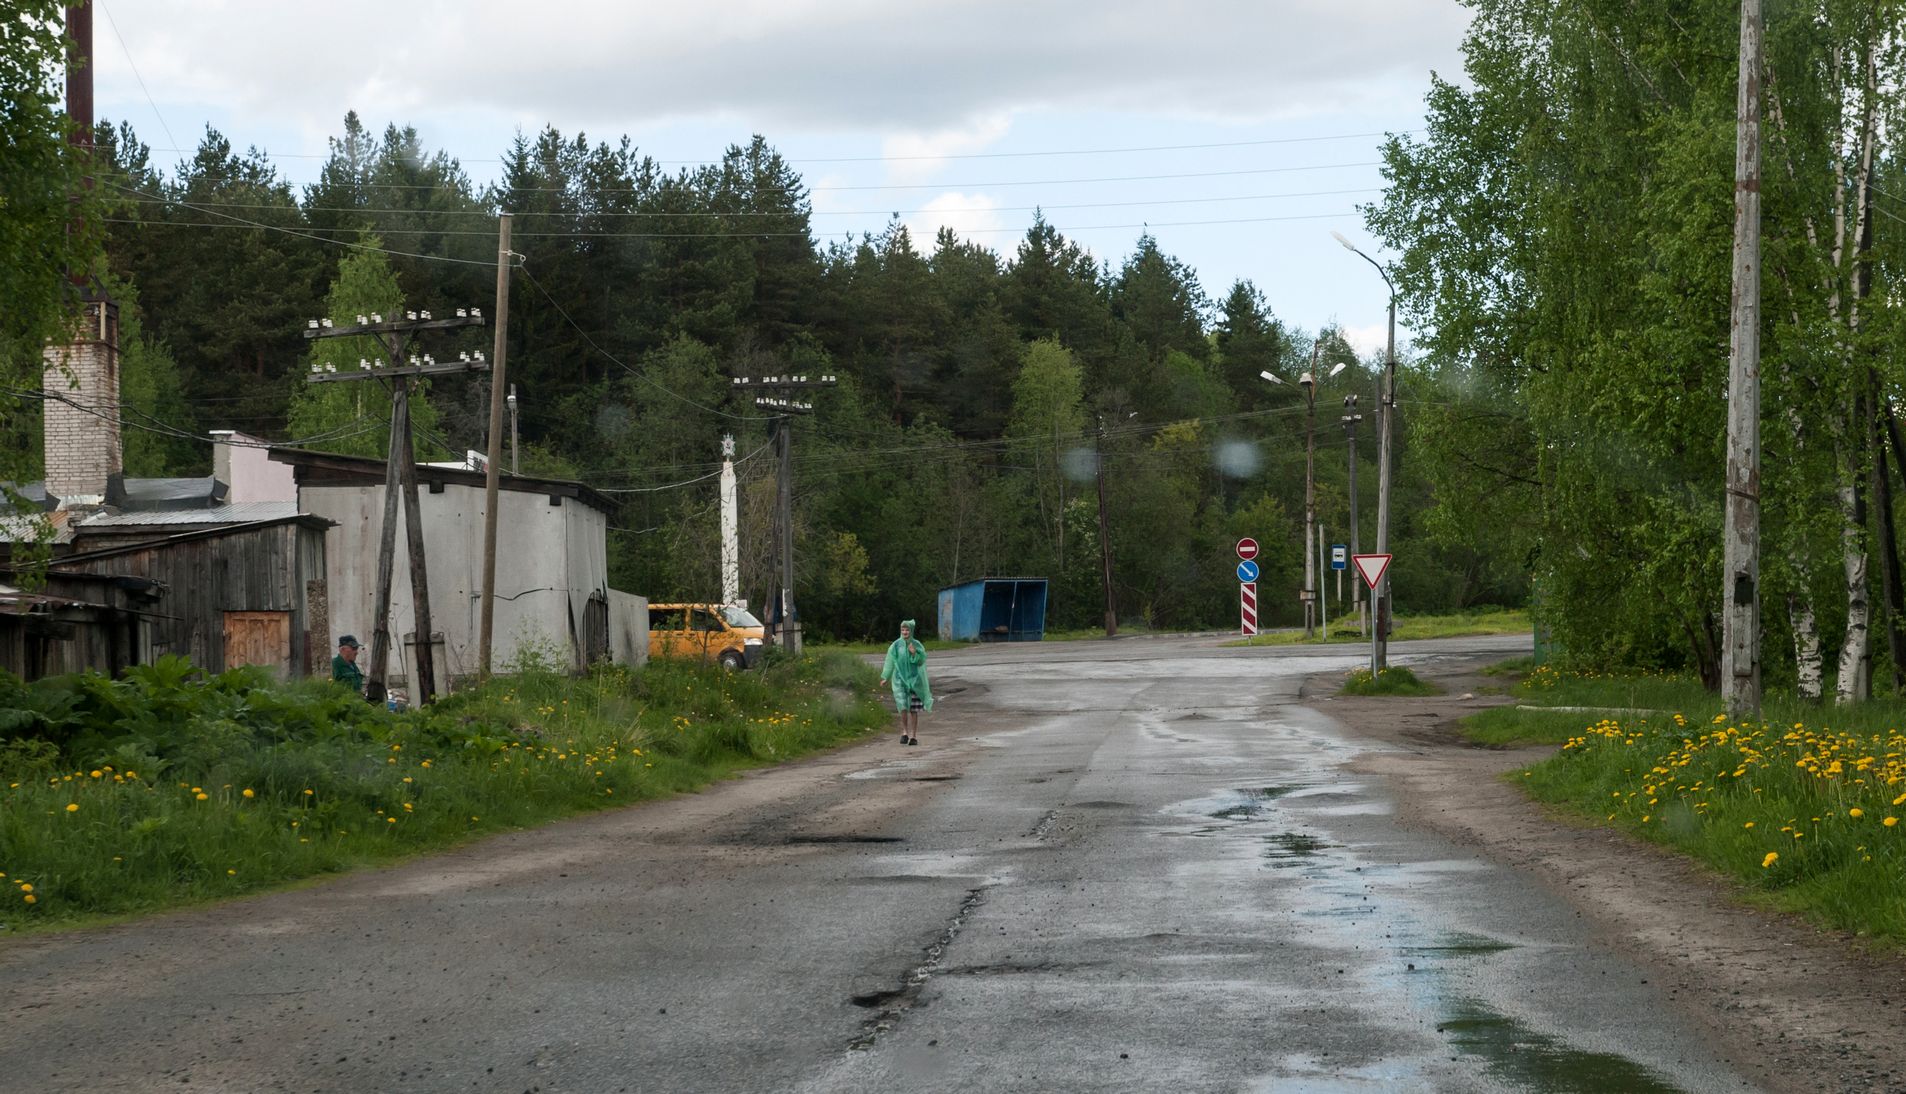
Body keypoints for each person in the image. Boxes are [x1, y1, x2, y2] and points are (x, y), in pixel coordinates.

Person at [879, 619, 932, 745]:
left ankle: (913, 736)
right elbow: (890, 661)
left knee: (913, 709)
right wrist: (885, 676)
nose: (905, 632)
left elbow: (921, 661)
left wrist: (914, 653)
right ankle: (904, 732)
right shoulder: (895, 645)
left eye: (907, 629)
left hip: (914, 680)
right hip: (899, 680)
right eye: (902, 629)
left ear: (911, 631)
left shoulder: (917, 644)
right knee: (902, 706)